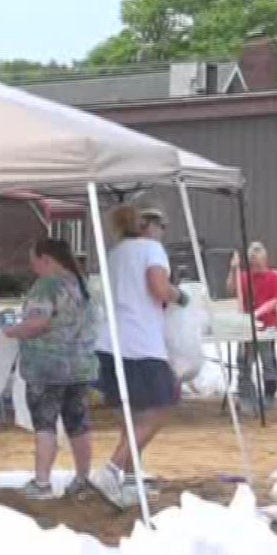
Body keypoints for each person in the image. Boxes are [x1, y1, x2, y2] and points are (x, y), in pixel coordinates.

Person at [89, 206, 187, 509]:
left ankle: (130, 482)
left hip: (110, 341)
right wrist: (180, 295)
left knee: (132, 416)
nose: (164, 232)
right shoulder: (152, 249)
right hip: (140, 343)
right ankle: (112, 470)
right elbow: (158, 289)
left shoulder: (116, 252)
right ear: (149, 226)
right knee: (162, 406)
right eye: (163, 226)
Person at [3, 239, 99, 500]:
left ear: (45, 258)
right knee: (78, 423)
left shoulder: (47, 285)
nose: (32, 266)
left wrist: (9, 332)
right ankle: (82, 478)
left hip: (47, 368)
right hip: (80, 366)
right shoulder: (81, 283)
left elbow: (38, 323)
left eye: (33, 260)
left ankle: (42, 482)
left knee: (45, 424)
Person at [230, 242, 277, 410]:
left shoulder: (274, 277)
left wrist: (258, 312)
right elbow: (233, 289)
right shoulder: (244, 277)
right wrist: (233, 270)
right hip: (247, 327)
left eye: (258, 261)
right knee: (244, 361)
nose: (256, 266)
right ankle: (246, 394)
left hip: (266, 327)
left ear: (265, 259)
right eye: (253, 262)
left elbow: (276, 299)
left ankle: (269, 395)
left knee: (268, 361)